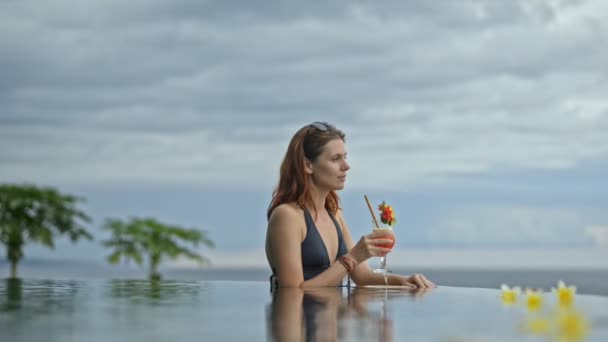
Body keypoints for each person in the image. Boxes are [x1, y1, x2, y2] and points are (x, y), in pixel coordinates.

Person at [265, 121, 436, 289]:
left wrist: (404, 281)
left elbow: (361, 276)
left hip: (333, 316)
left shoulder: (334, 213)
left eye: (344, 157)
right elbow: (293, 291)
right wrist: (353, 257)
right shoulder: (287, 216)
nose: (346, 166)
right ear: (308, 166)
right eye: (335, 159)